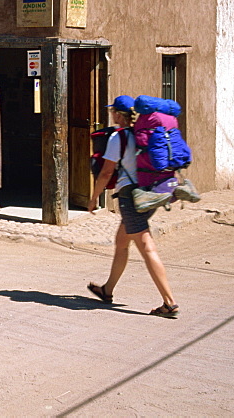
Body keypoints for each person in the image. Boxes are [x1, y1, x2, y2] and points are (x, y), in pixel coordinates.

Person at [87, 95, 179, 318]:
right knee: (121, 242)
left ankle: (169, 302)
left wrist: (94, 198)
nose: (112, 115)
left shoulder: (118, 138)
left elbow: (107, 172)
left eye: (112, 112)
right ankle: (107, 290)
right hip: (151, 193)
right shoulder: (144, 134)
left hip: (131, 197)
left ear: (118, 115)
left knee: (146, 247)